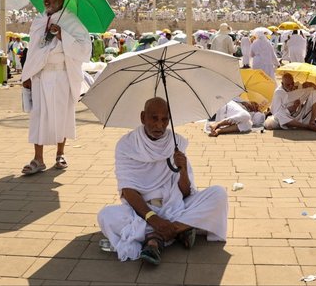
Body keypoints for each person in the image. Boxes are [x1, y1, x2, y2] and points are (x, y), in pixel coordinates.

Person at [97, 97, 228, 265]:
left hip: (174, 205)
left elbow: (186, 193)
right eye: (154, 118)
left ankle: (156, 238)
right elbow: (128, 190)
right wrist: (154, 219)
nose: (159, 125)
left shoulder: (176, 143)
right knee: (106, 216)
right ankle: (181, 229)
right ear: (143, 117)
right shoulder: (126, 145)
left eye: (164, 119)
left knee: (218, 194)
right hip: (141, 212)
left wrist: (183, 171)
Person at [21, 0, 91, 174]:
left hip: (61, 75)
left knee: (62, 114)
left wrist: (62, 34)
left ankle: (60, 154)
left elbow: (85, 49)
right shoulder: (38, 21)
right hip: (40, 75)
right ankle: (38, 159)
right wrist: (27, 74)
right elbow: (33, 49)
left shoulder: (71, 21)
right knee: (38, 116)